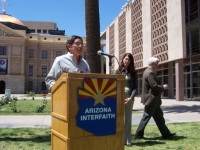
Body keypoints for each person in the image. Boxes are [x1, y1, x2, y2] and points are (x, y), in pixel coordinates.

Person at [134, 57, 176, 139]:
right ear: (152, 64)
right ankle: (138, 134)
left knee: (159, 118)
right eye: (157, 64)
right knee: (146, 118)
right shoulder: (150, 73)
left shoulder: (148, 71)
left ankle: (166, 134)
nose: (157, 66)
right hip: (151, 100)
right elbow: (154, 86)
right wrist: (163, 87)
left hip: (154, 101)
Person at [115, 53, 137, 147]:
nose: (126, 60)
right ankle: (119, 138)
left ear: (131, 61)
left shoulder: (134, 73)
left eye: (128, 59)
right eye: (125, 58)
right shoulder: (118, 71)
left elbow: (136, 88)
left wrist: (130, 98)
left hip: (129, 97)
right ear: (122, 59)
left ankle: (127, 139)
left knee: (128, 119)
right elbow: (114, 84)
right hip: (118, 97)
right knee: (119, 118)